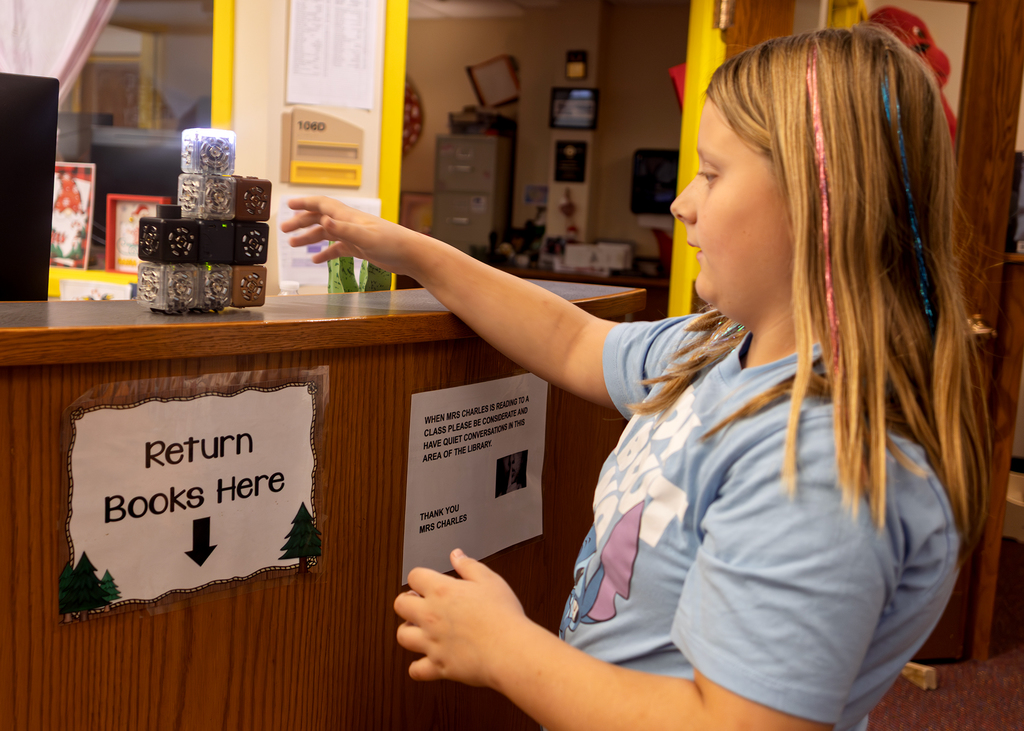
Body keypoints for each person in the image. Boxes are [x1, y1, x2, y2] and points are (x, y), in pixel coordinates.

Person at [281, 24, 988, 731]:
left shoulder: (818, 459)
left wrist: (504, 647)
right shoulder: (720, 346)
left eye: (711, 173)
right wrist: (411, 249)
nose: (682, 202)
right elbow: (571, 337)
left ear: (819, 200)